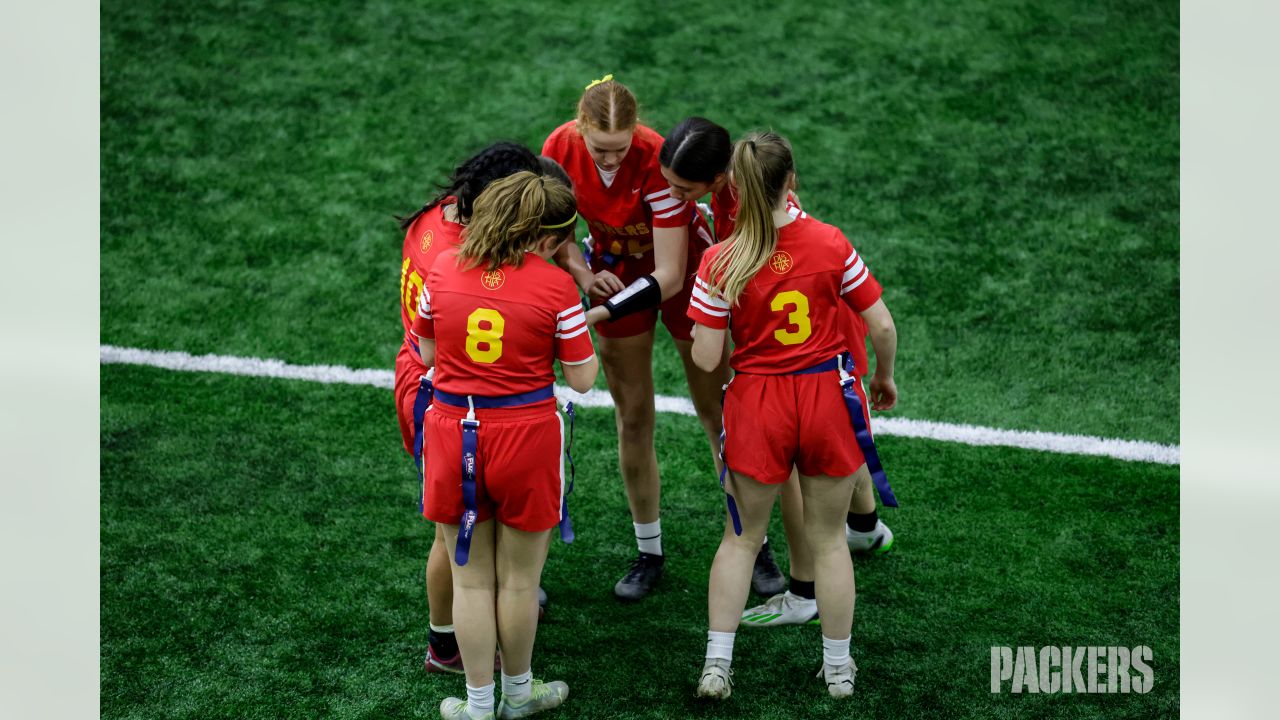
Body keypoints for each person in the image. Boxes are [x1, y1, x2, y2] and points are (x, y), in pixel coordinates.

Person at [542, 76, 775, 601]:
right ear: (580, 130)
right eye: (599, 149)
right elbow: (555, 232)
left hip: (689, 277)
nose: (608, 159)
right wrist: (583, 276)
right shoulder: (558, 147)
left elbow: (669, 274)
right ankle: (649, 552)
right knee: (633, 416)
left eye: (619, 149)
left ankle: (754, 542)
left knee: (718, 414)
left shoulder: (655, 158)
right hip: (615, 276)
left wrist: (595, 312)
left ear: (636, 136)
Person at [658, 117, 897, 627]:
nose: (673, 195)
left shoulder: (724, 257)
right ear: (790, 180)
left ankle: (729, 652)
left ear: (730, 184)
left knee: (744, 533)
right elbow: (882, 324)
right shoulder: (827, 238)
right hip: (828, 359)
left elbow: (705, 355)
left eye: (683, 188)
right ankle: (839, 654)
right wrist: (884, 375)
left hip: (770, 382)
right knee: (841, 457)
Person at [413, 170, 597, 720]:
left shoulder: (442, 268)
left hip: (454, 432)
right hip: (527, 437)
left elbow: (425, 355)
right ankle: (519, 695)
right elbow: (583, 379)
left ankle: (474, 706)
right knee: (520, 582)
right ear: (544, 235)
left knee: (470, 580)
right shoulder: (556, 287)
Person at [395, 143, 553, 675]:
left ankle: (488, 606)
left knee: (464, 528)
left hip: (430, 376)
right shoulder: (462, 253)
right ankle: (445, 644)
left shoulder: (438, 216)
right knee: (456, 536)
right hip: (445, 395)